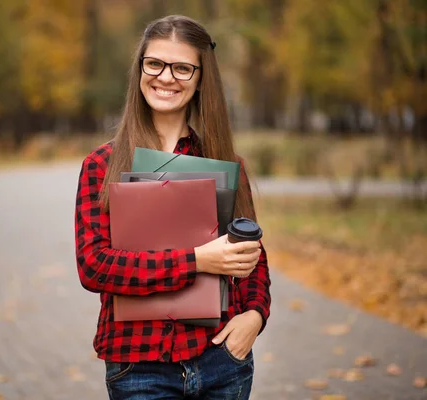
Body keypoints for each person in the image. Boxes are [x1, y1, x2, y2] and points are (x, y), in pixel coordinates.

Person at [74, 14, 271, 400]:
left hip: (221, 361)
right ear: (140, 69)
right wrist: (197, 260)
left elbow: (252, 256)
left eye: (182, 68)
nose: (166, 77)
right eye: (155, 64)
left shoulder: (226, 163)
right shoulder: (102, 165)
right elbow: (94, 266)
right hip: (139, 367)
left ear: (200, 79)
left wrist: (256, 316)